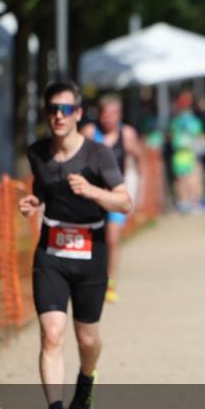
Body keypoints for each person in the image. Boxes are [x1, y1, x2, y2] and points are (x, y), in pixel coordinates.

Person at [18, 81, 132, 409]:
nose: (58, 115)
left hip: (90, 252)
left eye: (66, 109)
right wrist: (33, 203)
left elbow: (125, 202)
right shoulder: (37, 152)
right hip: (51, 253)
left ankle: (86, 378)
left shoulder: (98, 154)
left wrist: (93, 191)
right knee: (52, 334)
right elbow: (42, 189)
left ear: (78, 114)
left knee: (87, 338)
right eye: (52, 108)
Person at [82, 94, 142, 304]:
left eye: (113, 114)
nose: (109, 118)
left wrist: (136, 188)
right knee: (93, 238)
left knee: (112, 238)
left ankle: (110, 281)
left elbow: (138, 157)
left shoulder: (127, 134)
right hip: (92, 194)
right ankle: (90, 279)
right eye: (105, 114)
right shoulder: (90, 132)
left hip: (116, 194)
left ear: (119, 115)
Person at [169, 92, 205, 214]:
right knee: (187, 179)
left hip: (187, 153)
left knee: (187, 179)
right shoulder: (180, 121)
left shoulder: (179, 121)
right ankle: (188, 202)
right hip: (184, 153)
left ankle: (189, 202)